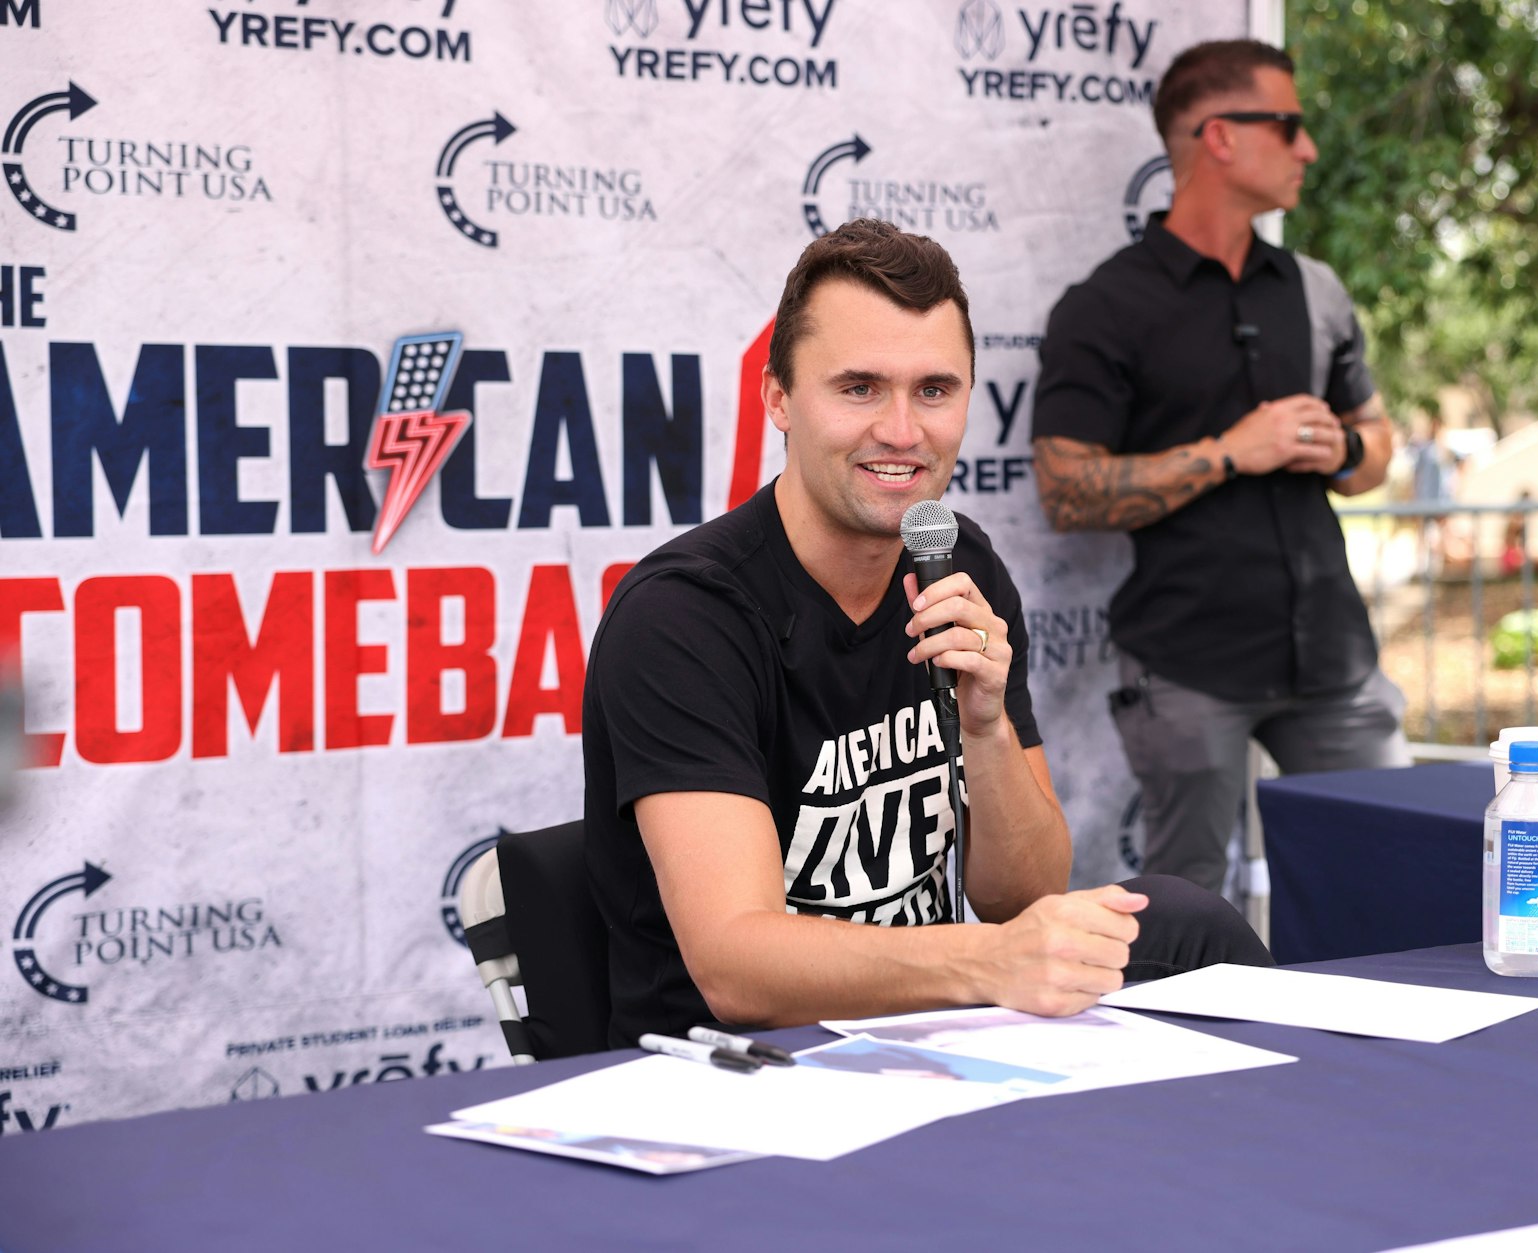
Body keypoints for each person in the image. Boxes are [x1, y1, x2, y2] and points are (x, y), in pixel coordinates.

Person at [583, 219, 1271, 1049]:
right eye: (860, 388)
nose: (904, 432)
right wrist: (989, 963)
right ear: (778, 400)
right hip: (746, 1074)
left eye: (935, 390)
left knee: (1192, 927)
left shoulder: (957, 561)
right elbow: (737, 967)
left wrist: (985, 725)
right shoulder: (685, 615)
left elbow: (1021, 899)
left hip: (933, 1035)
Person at [1030, 39, 1410, 894]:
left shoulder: (1316, 289)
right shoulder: (1107, 306)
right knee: (1193, 905)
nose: (1308, 148)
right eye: (1289, 124)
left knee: (1390, 874)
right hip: (1188, 663)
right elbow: (1065, 489)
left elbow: (1378, 444)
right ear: (1220, 137)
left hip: (1337, 661)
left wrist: (1343, 449)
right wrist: (1232, 452)